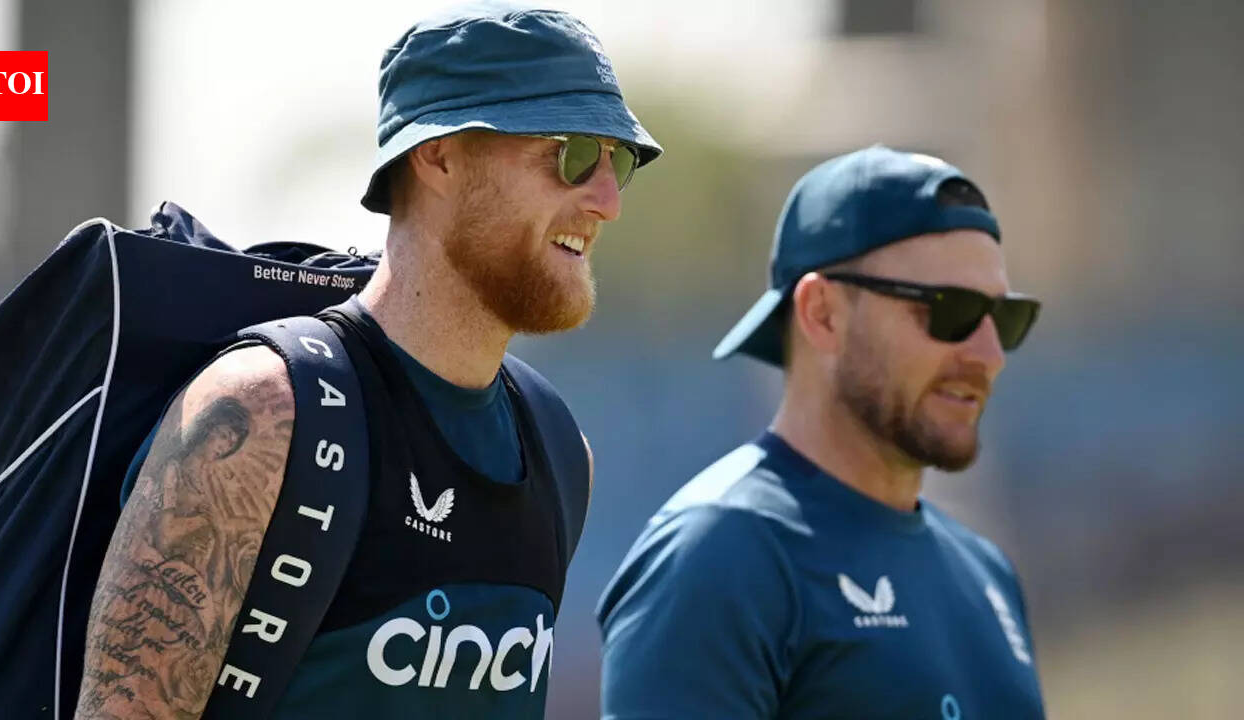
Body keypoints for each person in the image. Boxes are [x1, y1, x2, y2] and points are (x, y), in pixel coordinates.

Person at [74, 3, 661, 718]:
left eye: (618, 162)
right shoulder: (263, 415)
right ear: (439, 156)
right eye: (571, 154)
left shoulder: (561, 449)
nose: (607, 201)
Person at [597, 146, 1045, 719]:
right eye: (950, 310)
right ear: (822, 314)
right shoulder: (721, 556)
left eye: (1004, 318)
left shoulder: (987, 574)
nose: (989, 355)